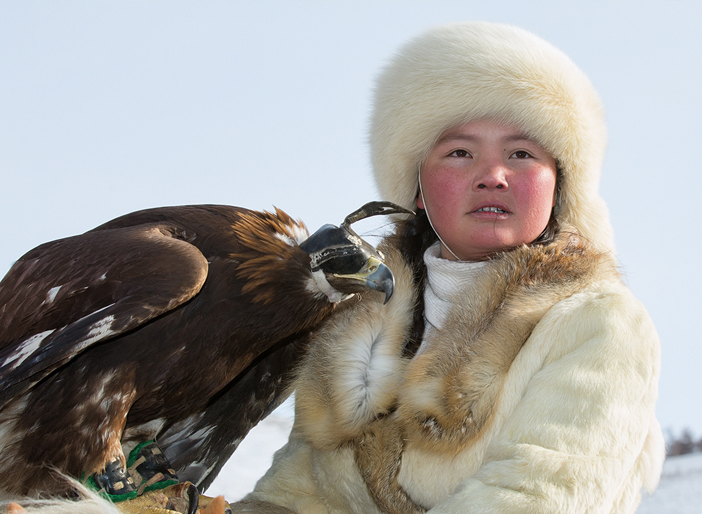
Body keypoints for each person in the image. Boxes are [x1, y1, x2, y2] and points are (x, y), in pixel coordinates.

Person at [233, 21, 664, 514]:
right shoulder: (353, 333)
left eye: (521, 154)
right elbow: (290, 499)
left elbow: (534, 498)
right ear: (417, 190)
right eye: (460, 152)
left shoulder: (600, 323)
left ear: (557, 188)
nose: (493, 176)